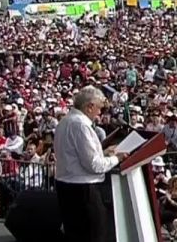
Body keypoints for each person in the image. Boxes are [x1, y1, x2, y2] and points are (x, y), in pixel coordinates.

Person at [54, 86, 127, 242]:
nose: (100, 113)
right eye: (99, 108)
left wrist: (103, 152)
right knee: (93, 235)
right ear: (89, 107)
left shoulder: (65, 121)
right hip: (83, 191)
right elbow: (94, 165)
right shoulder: (81, 125)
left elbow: (76, 154)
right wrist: (117, 159)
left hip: (65, 187)